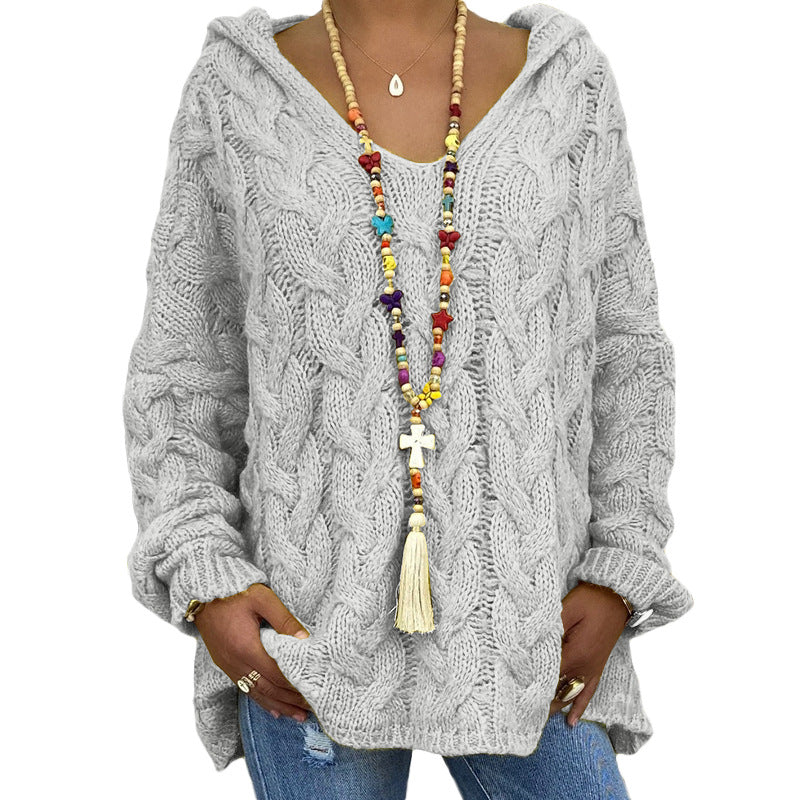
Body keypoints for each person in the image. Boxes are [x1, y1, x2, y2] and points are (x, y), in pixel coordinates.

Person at [122, 2, 693, 797]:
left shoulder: (567, 86)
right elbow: (183, 370)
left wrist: (620, 567)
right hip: (307, 638)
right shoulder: (237, 91)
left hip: (532, 632)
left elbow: (626, 353)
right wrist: (204, 572)